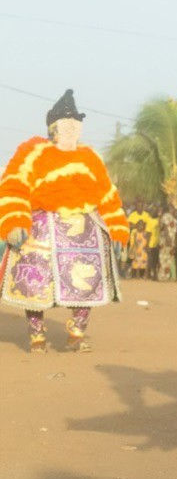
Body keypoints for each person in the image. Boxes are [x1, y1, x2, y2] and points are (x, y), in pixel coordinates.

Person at [0, 90, 129, 352]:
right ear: (53, 129)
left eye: (76, 125)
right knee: (32, 283)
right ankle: (36, 335)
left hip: (84, 235)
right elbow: (13, 186)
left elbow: (108, 196)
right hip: (41, 230)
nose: (72, 130)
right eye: (66, 125)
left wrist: (118, 231)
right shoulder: (32, 152)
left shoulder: (91, 158)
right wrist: (14, 222)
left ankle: (77, 333)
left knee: (88, 283)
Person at [157, 207, 177, 282]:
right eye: (174, 209)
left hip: (171, 242)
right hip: (165, 241)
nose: (175, 210)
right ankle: (161, 276)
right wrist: (168, 238)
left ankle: (166, 276)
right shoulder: (166, 215)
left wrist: (174, 243)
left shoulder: (174, 219)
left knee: (169, 260)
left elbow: (175, 232)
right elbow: (165, 227)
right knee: (162, 258)